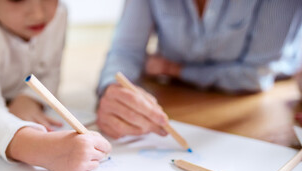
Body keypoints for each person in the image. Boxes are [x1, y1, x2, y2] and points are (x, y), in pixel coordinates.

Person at [0, 0, 111, 171]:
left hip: (3, 91)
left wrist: (29, 98)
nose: (38, 14)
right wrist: (43, 148)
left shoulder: (59, 13)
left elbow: (51, 72)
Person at [97, 0, 302, 139]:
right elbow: (125, 50)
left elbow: (255, 76)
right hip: (174, 91)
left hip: (261, 94)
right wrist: (113, 89)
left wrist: (175, 69)